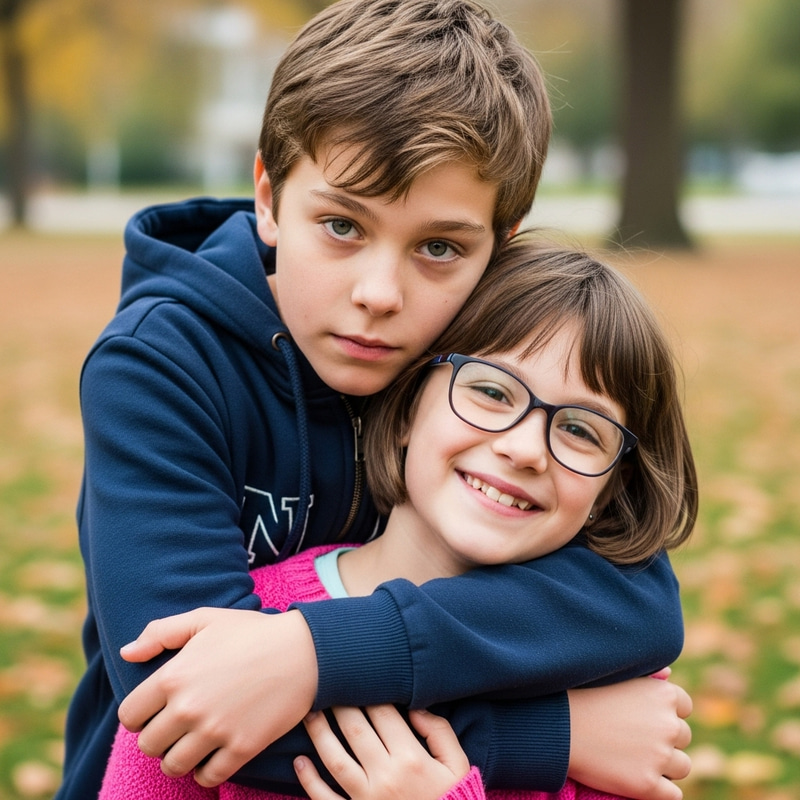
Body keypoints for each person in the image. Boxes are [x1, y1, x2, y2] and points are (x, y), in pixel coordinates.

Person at [57, 1, 692, 798]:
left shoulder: (477, 371)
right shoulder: (162, 366)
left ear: (503, 246)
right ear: (268, 195)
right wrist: (548, 734)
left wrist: (316, 652)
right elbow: (188, 701)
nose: (380, 295)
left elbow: (633, 602)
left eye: (438, 247)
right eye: (342, 225)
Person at [98, 238, 695, 800]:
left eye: (579, 430)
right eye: (490, 392)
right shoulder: (225, 642)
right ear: (408, 406)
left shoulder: (607, 684)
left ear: (612, 485)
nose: (525, 448)